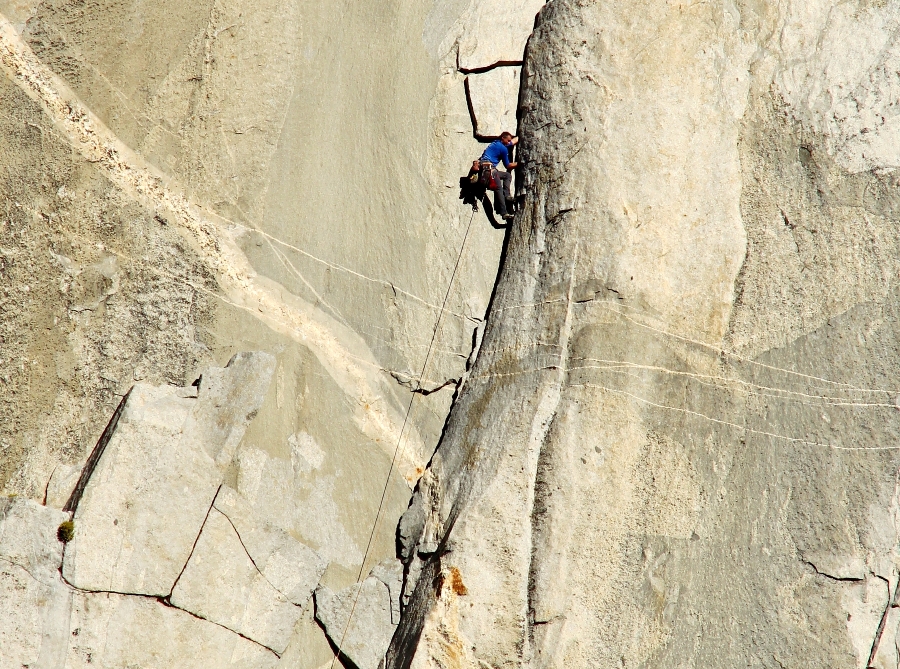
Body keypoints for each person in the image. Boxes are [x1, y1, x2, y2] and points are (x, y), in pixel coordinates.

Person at [479, 132, 518, 221]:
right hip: (489, 170)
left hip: (484, 168)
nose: (509, 142)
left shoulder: (496, 142)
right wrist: (521, 163)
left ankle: (507, 196)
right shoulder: (503, 149)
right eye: (507, 140)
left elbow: (512, 142)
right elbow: (508, 166)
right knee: (498, 188)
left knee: (507, 175)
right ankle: (503, 213)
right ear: (503, 138)